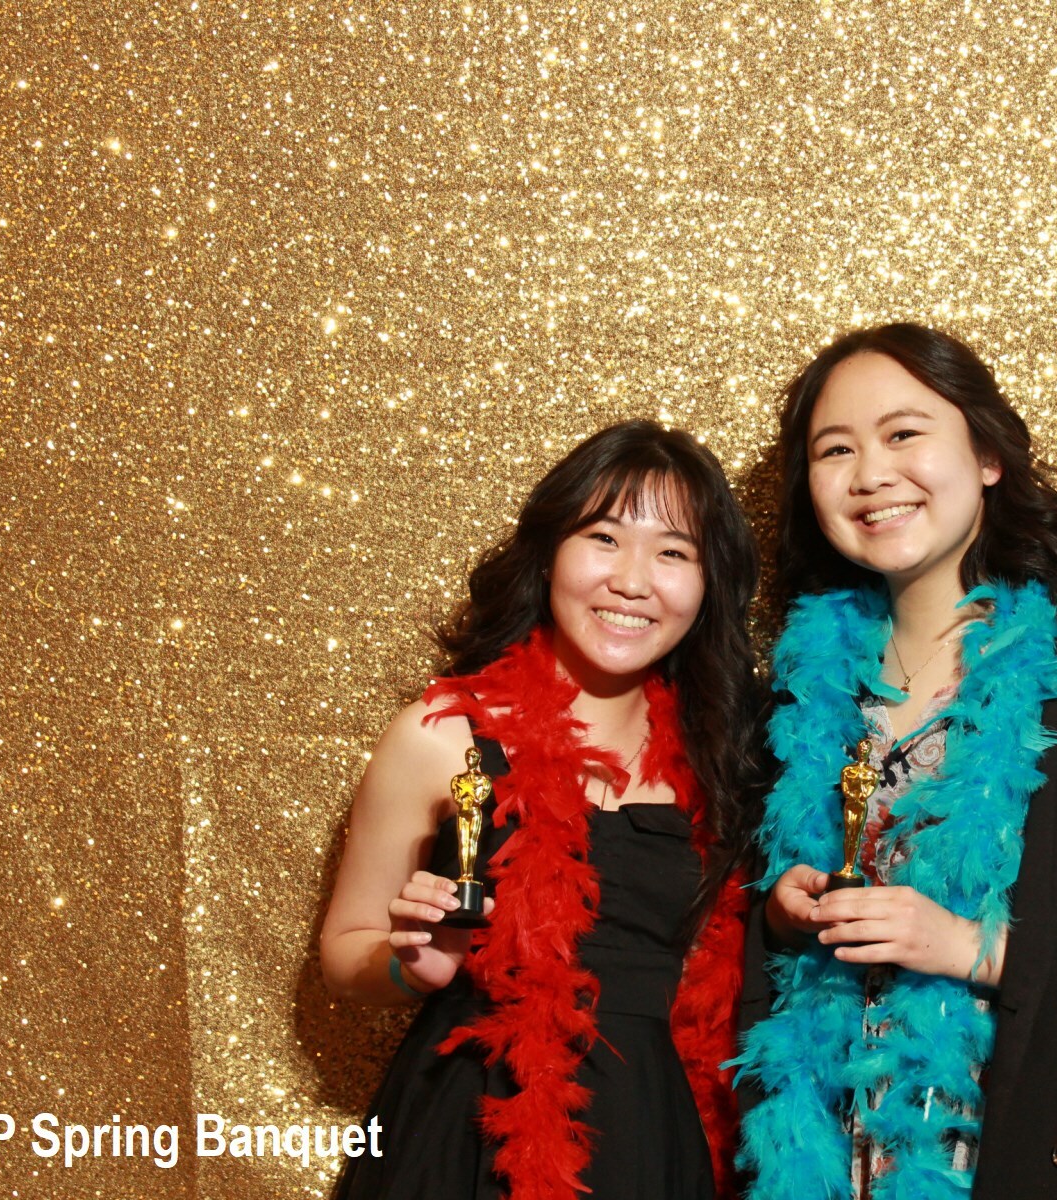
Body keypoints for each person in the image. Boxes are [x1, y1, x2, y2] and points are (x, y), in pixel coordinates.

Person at [731, 324, 1057, 1199]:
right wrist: (781, 918)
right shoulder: (790, 701)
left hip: (1015, 1151)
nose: (871, 474)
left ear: (987, 457)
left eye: (903, 434)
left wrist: (968, 948)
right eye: (835, 449)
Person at [320, 420, 761, 1200]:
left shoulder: (722, 759)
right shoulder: (442, 734)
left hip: (650, 1139)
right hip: (468, 1139)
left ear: (708, 585)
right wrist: (409, 965)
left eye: (673, 552)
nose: (633, 580)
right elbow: (343, 954)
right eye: (604, 538)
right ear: (550, 551)